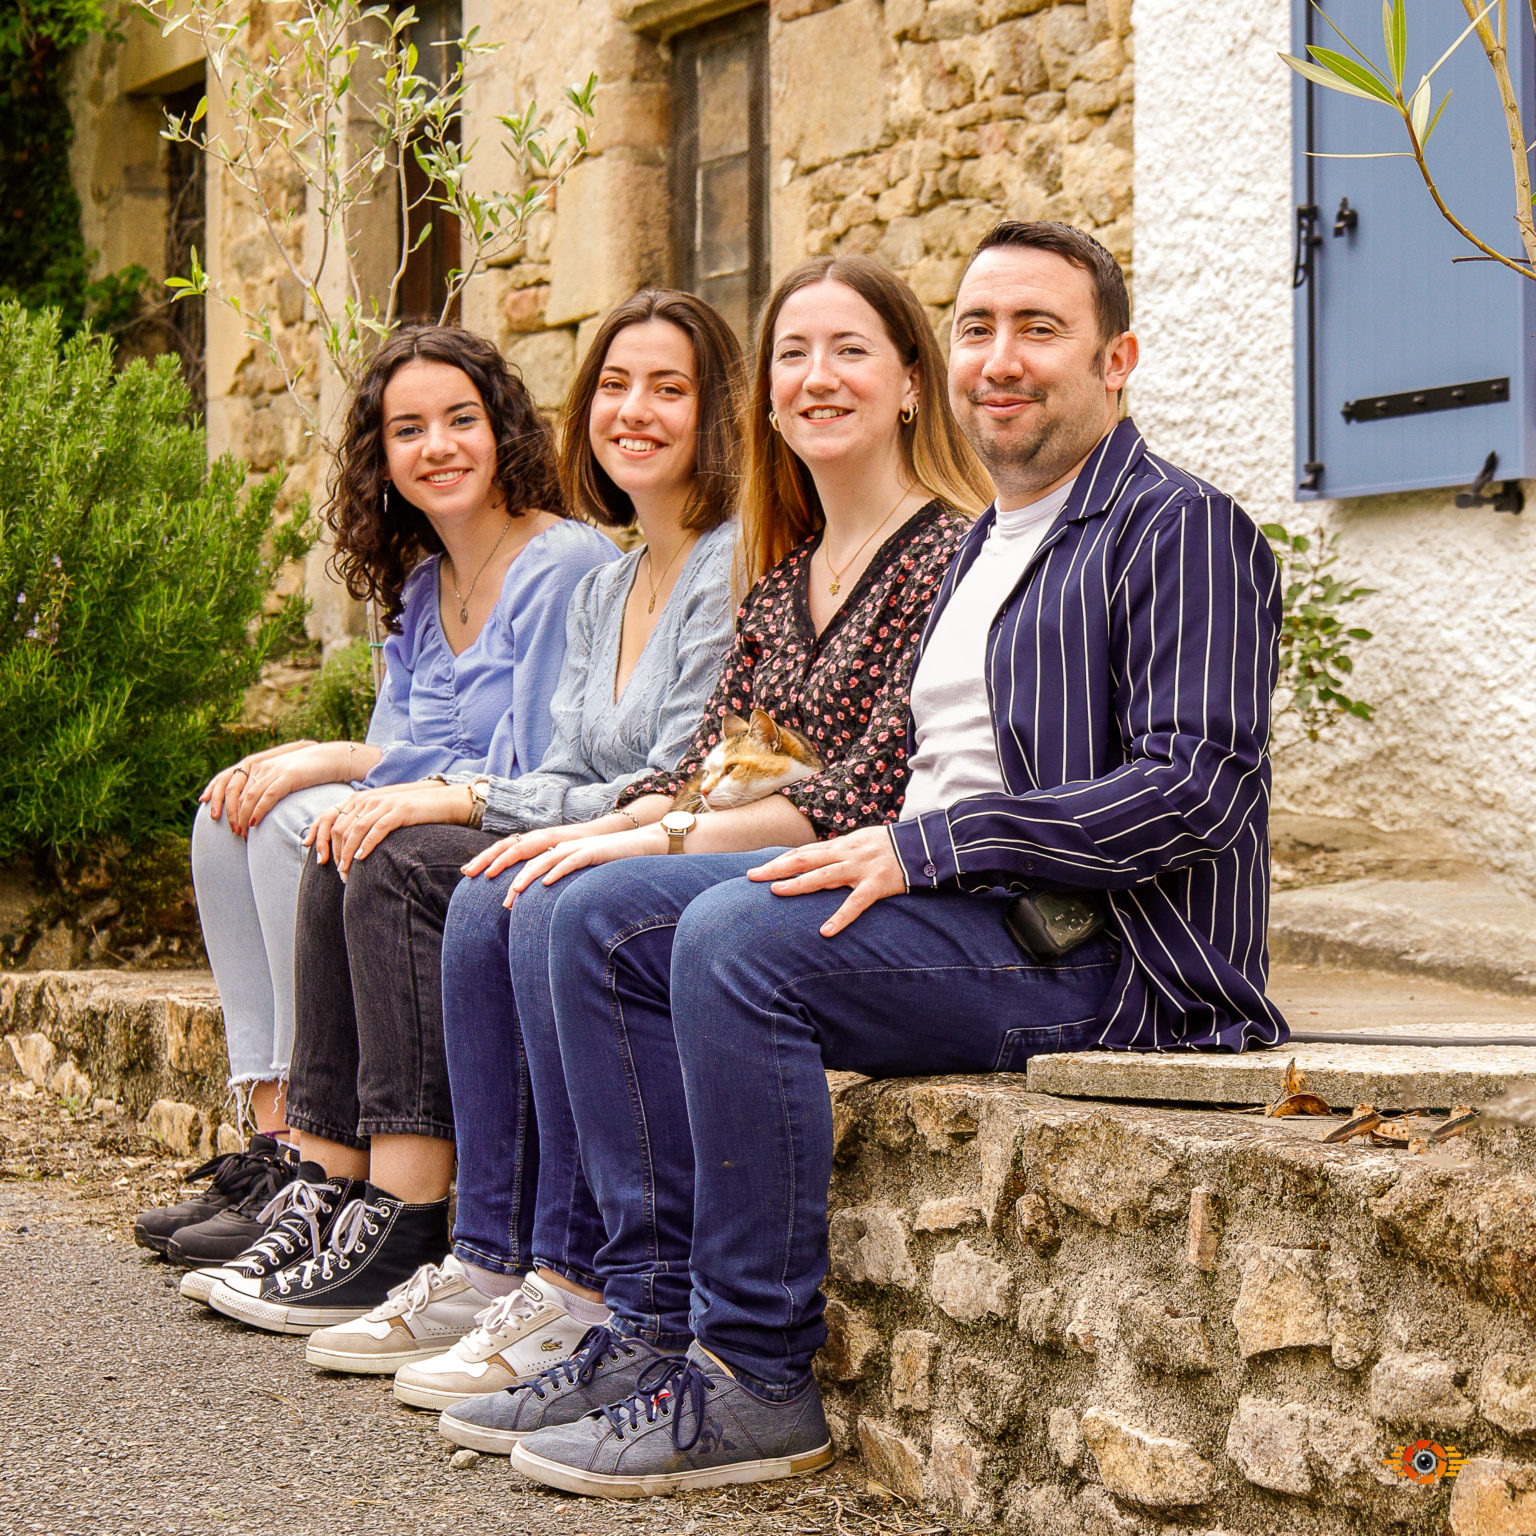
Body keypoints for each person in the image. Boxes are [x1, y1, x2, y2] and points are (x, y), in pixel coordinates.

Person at [494, 222, 1289, 1499]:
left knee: (733, 946)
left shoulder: (1181, 529)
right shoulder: (986, 543)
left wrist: (933, 843)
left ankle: (757, 1375)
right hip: (945, 905)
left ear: (1117, 358)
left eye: (1040, 329)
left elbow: (1193, 792)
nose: (1000, 360)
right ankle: (648, 1325)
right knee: (595, 919)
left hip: (1099, 953)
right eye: (977, 328)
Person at [436, 254, 991, 1458]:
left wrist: (662, 836)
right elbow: (710, 759)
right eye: (794, 354)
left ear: (909, 382)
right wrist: (602, 824)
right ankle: (625, 1313)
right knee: (544, 885)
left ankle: (666, 1319)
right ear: (772, 398)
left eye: (850, 351)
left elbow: (872, 781)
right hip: (771, 846)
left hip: (878, 878)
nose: (817, 377)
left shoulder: (953, 554)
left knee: (593, 909)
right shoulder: (785, 578)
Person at [199, 291, 744, 1346]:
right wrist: (440, 792)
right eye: (615, 386)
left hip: (649, 851)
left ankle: (410, 1224)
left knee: (396, 855)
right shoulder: (617, 578)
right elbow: (574, 767)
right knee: (342, 843)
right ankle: (327, 1178)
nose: (633, 410)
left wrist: (459, 795)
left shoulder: (679, 568)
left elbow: (660, 784)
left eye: (667, 388)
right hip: (566, 825)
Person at [154, 325, 613, 1273]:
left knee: (315, 823)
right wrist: (309, 762)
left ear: (504, 432)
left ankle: (339, 1154)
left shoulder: (560, 563)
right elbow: (394, 751)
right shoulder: (420, 583)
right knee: (228, 812)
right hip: (428, 814)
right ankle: (284, 1146)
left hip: (502, 822)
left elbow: (530, 761)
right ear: (383, 456)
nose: (436, 446)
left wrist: (326, 760)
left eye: (460, 420)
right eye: (408, 430)